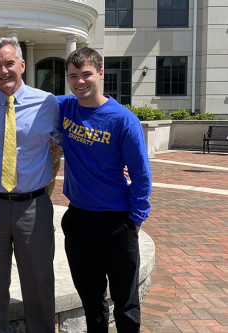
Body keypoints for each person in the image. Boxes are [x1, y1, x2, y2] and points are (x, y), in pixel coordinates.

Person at [58, 47, 152, 332]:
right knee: (91, 301)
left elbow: (141, 174)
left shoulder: (123, 119)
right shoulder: (64, 107)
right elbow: (26, 98)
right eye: (73, 76)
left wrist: (135, 220)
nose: (80, 82)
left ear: (100, 73)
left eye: (86, 74)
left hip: (116, 222)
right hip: (78, 221)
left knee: (125, 301)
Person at [0, 37, 61, 333]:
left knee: (39, 282)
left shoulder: (48, 103)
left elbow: (78, 133)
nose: (4, 71)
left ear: (22, 65)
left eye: (9, 63)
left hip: (34, 207)